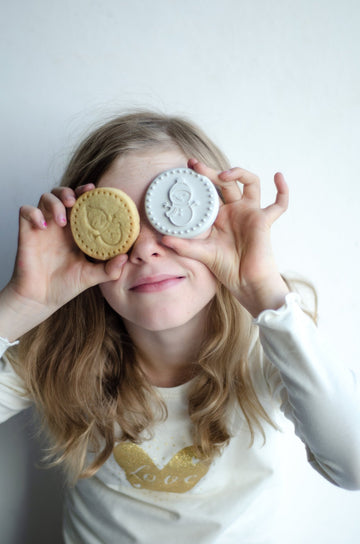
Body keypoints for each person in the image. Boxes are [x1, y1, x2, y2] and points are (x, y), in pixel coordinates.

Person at [0, 111, 359, 543]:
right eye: (120, 227)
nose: (146, 248)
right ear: (82, 237)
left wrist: (263, 288)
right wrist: (22, 304)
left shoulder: (271, 342)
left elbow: (352, 467)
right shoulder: (61, 349)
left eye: (171, 214)